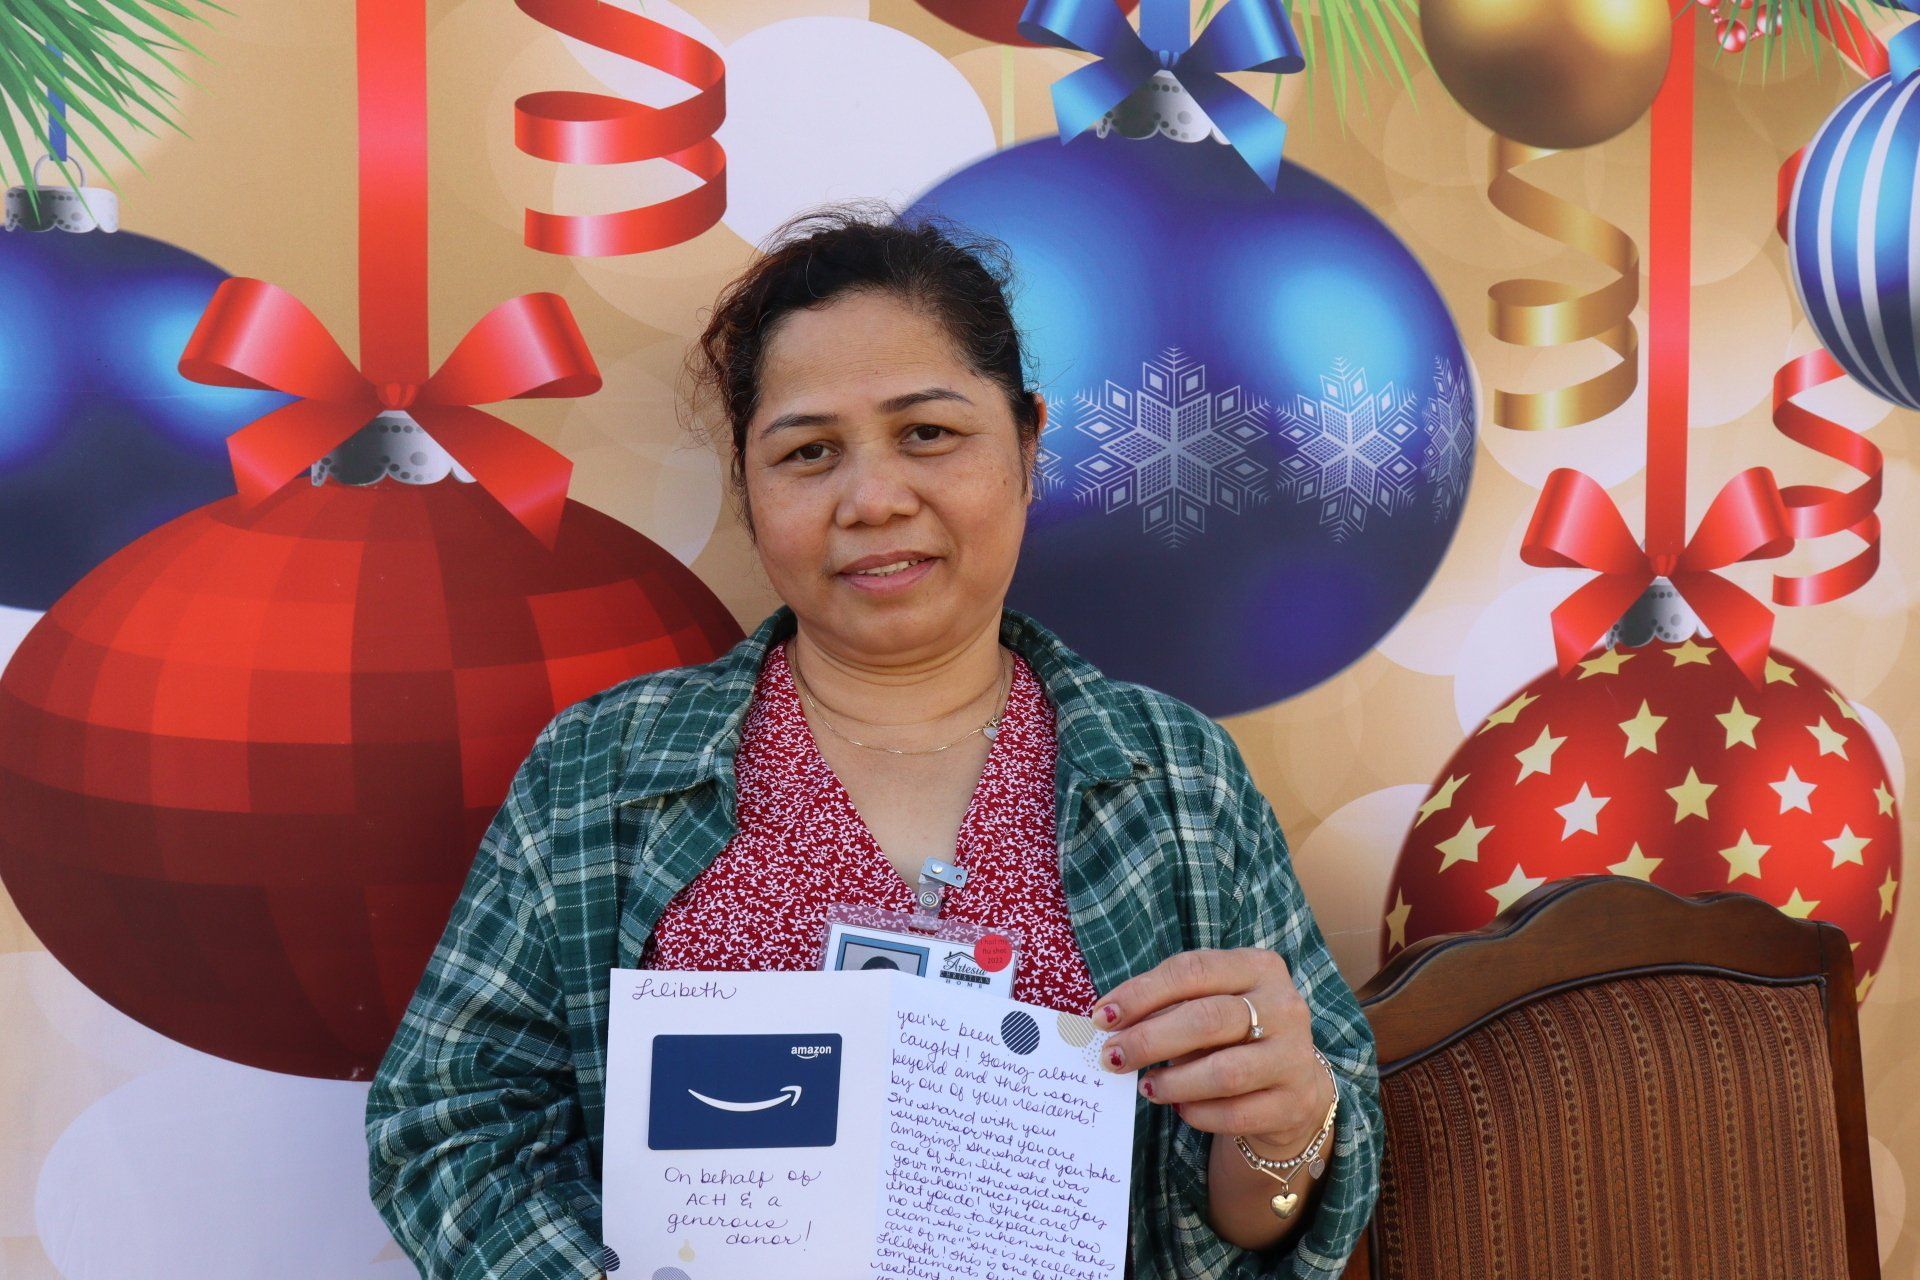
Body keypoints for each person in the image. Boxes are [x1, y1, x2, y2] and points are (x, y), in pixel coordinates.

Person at [365, 205, 1383, 1279]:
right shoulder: (602, 771)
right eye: (810, 452)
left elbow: (1270, 1213)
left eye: (928, 433)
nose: (874, 497)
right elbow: (447, 1124)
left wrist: (1284, 1127)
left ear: (1028, 442)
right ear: (751, 487)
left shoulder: (1178, 778)